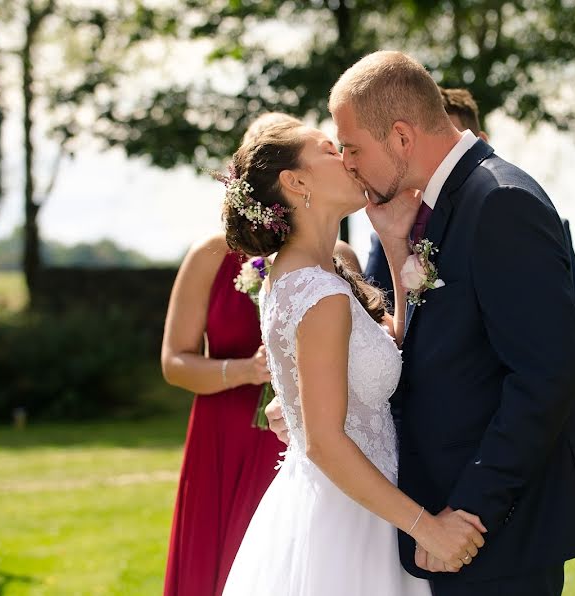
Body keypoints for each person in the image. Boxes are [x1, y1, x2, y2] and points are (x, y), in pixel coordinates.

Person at [331, 51, 575, 595]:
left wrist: (468, 513)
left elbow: (547, 374)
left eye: (353, 148)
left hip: (495, 531)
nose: (348, 164)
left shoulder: (500, 202)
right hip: (452, 521)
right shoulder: (437, 206)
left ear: (403, 138)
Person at [220, 117, 483, 595]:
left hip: (352, 502)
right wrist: (428, 528)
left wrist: (394, 240)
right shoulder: (319, 292)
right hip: (350, 520)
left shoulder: (310, 274)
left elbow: (389, 349)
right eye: (329, 149)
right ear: (296, 182)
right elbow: (323, 441)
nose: (347, 157)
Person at [363, 86, 575, 377]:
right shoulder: (389, 237)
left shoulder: (514, 212)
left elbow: (565, 352)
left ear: (475, 141)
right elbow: (376, 337)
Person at [160, 232, 284, 595]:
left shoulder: (337, 256)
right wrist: (247, 370)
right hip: (222, 442)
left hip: (299, 438)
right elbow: (174, 362)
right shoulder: (209, 256)